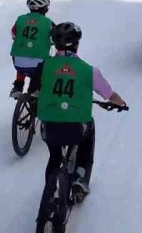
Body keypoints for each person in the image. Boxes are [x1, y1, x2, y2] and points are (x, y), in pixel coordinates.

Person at [36, 22, 127, 202]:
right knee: (89, 129)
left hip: (49, 126)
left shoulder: (44, 66)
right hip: (76, 128)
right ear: (76, 44)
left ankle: (50, 190)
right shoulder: (89, 71)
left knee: (55, 156)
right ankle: (80, 178)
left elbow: (37, 90)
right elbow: (110, 95)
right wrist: (121, 104)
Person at [9, 0, 54, 98]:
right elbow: (56, 38)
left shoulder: (20, 19)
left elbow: (13, 34)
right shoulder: (48, 23)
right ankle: (37, 90)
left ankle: (18, 87)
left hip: (17, 62)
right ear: (44, 9)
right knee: (48, 67)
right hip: (38, 64)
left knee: (22, 55)